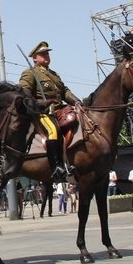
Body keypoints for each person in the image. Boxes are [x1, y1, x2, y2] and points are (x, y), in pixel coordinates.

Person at [18, 41, 81, 182]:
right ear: (34, 58)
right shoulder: (30, 73)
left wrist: (77, 102)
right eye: (42, 54)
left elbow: (64, 92)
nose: (46, 55)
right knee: (53, 130)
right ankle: (56, 168)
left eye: (47, 53)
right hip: (43, 113)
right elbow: (24, 94)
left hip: (60, 111)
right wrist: (39, 105)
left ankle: (71, 161)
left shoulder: (53, 74)